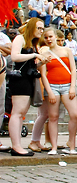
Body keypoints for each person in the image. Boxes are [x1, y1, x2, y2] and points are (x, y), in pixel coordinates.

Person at [9, 18, 52, 156]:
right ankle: (16, 146)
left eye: (42, 28)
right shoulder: (20, 39)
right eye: (38, 28)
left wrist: (41, 62)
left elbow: (30, 65)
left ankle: (17, 145)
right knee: (18, 112)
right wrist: (35, 55)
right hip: (19, 79)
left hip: (28, 78)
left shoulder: (33, 44)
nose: (41, 31)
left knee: (21, 113)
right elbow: (14, 57)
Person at [38, 28, 77, 154]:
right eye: (46, 37)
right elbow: (43, 74)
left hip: (67, 85)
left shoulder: (67, 50)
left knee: (75, 114)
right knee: (53, 116)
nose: (48, 39)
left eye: (50, 36)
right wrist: (49, 91)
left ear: (55, 36)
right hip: (52, 86)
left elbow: (73, 69)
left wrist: (72, 87)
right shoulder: (45, 54)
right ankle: (54, 147)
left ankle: (71, 145)